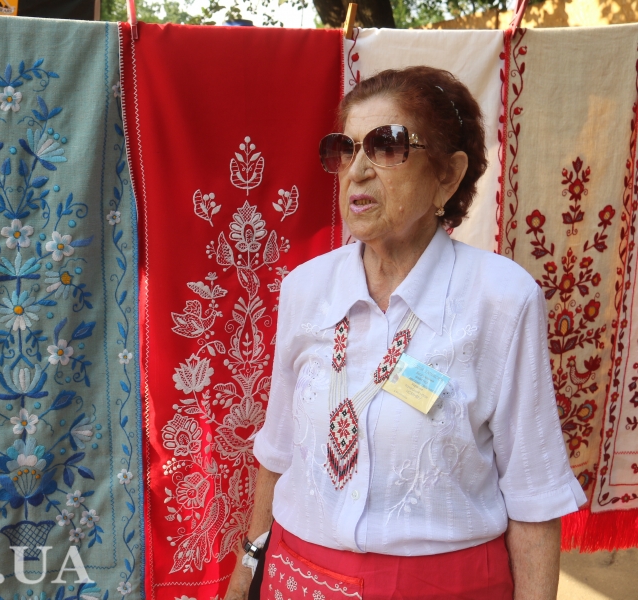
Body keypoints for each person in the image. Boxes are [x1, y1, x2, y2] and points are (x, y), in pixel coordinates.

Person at [225, 66, 587, 600]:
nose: (357, 171)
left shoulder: (502, 299)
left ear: (448, 175)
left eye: (387, 146)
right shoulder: (306, 288)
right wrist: (245, 574)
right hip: (294, 580)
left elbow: (533, 494)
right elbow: (278, 453)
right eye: (345, 149)